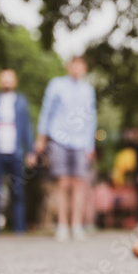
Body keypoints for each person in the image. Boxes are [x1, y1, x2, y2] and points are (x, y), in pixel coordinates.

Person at [35, 56, 97, 241]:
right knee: (62, 183)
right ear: (68, 67)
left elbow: (91, 117)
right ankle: (62, 225)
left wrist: (90, 145)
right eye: (74, 64)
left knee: (79, 184)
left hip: (80, 143)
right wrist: (41, 137)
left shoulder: (88, 90)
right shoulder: (56, 85)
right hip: (59, 139)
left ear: (85, 68)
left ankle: (77, 225)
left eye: (81, 65)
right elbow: (47, 110)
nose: (77, 68)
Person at [0, 69, 36, 233]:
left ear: (15, 81)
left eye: (9, 79)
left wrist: (30, 151)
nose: (6, 82)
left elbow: (27, 128)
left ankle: (19, 228)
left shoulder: (21, 102)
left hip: (16, 153)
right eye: (3, 79)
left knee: (18, 191)